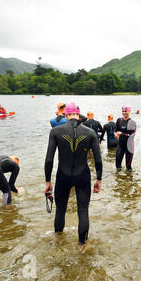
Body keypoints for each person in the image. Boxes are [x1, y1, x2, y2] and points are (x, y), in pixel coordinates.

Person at [44, 102, 102, 249]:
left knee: (60, 210)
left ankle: (58, 242)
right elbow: (98, 159)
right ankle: (82, 246)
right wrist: (99, 179)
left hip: (62, 175)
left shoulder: (56, 131)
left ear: (65, 114)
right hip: (83, 175)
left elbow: (49, 159)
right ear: (79, 114)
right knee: (83, 211)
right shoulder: (90, 133)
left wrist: (47, 182)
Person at [115, 105, 136, 170]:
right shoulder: (119, 120)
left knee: (128, 167)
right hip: (120, 144)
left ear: (129, 112)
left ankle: (129, 179)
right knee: (117, 166)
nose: (124, 113)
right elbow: (116, 130)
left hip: (129, 146)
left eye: (126, 111)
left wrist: (122, 133)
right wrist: (116, 134)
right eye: (123, 111)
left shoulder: (132, 122)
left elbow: (132, 136)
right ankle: (119, 179)